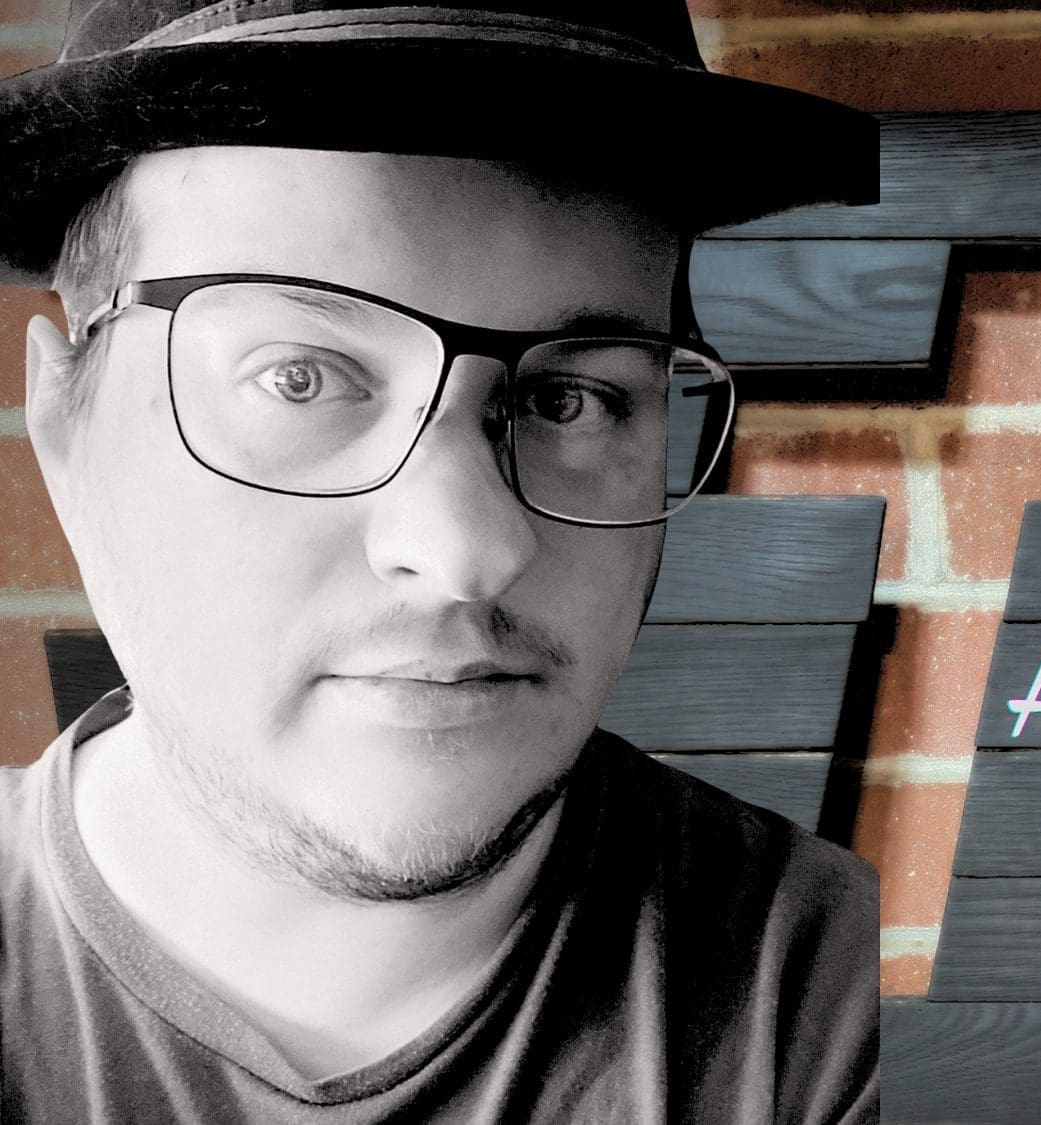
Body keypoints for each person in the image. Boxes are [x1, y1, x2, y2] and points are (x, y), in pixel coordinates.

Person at [0, 2, 882, 1121]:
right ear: (65, 424)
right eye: (302, 378)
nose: (471, 550)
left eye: (569, 399)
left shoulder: (840, 1001)